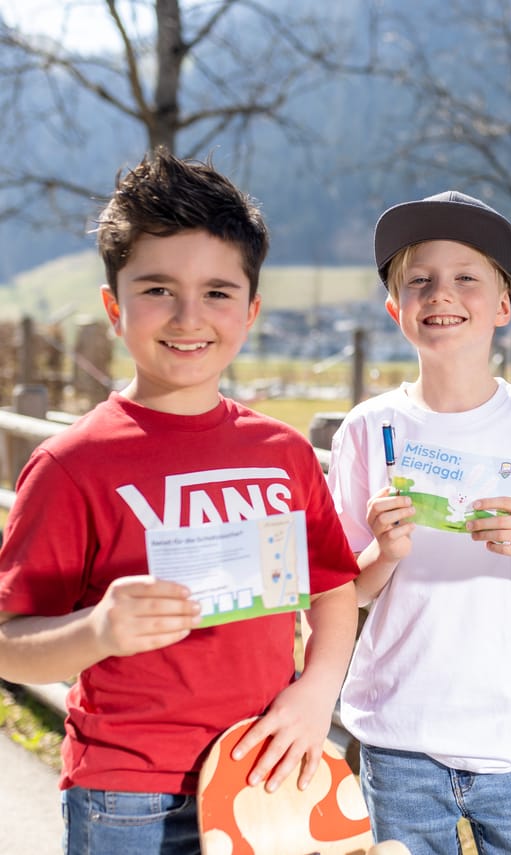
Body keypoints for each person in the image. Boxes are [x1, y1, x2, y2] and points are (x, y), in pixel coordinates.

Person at [0, 148, 361, 855]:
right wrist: (97, 630)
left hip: (266, 780)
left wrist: (316, 692)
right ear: (114, 307)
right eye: (158, 288)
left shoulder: (283, 454)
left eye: (218, 292)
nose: (189, 315)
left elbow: (333, 590)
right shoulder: (72, 466)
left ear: (251, 311)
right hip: (128, 799)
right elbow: (10, 644)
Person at [327, 190, 511, 854]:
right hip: (397, 738)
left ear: (503, 306)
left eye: (466, 278)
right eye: (419, 281)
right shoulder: (368, 429)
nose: (441, 294)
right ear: (395, 308)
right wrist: (384, 553)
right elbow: (347, 592)